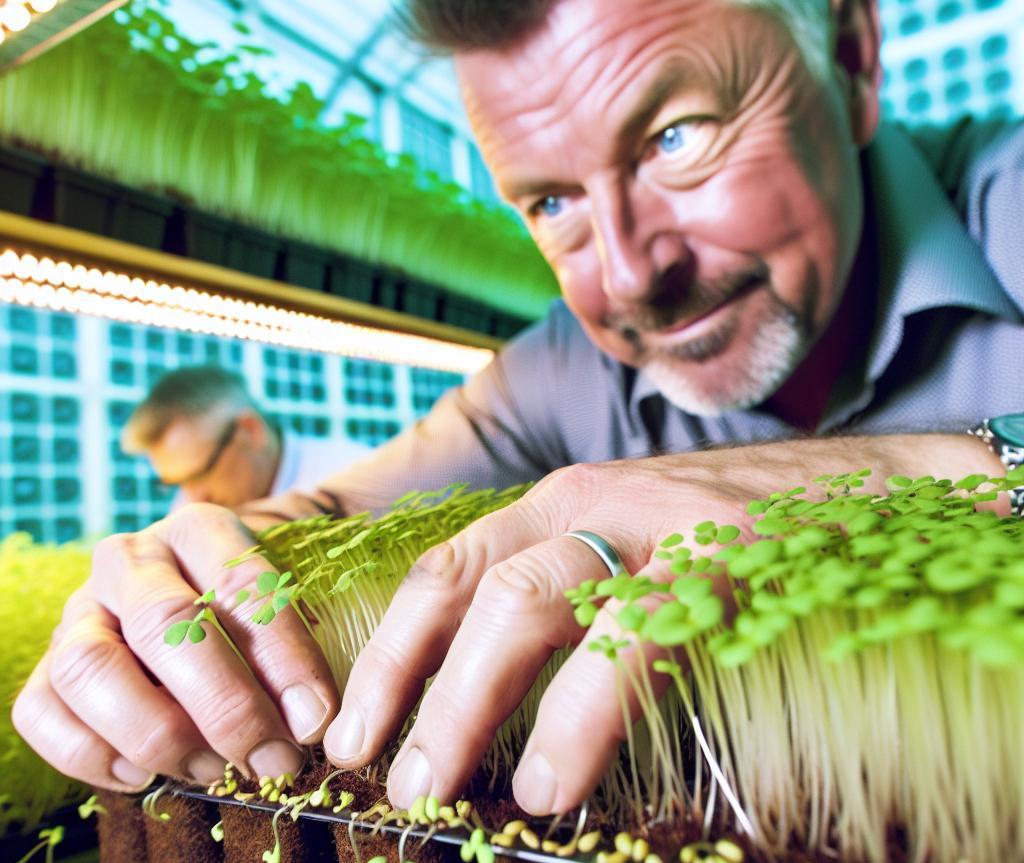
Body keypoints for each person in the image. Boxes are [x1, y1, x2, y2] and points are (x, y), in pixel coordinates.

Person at [14, 0, 1022, 816]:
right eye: (551, 202)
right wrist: (169, 576)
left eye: (677, 137)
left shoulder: (1005, 199)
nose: (631, 277)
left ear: (851, 59)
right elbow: (323, 526)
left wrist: (899, 473)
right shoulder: (558, 374)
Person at [121, 365, 372, 509]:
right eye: (175, 483)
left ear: (250, 431)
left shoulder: (352, 474)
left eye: (202, 474)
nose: (196, 498)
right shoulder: (191, 504)